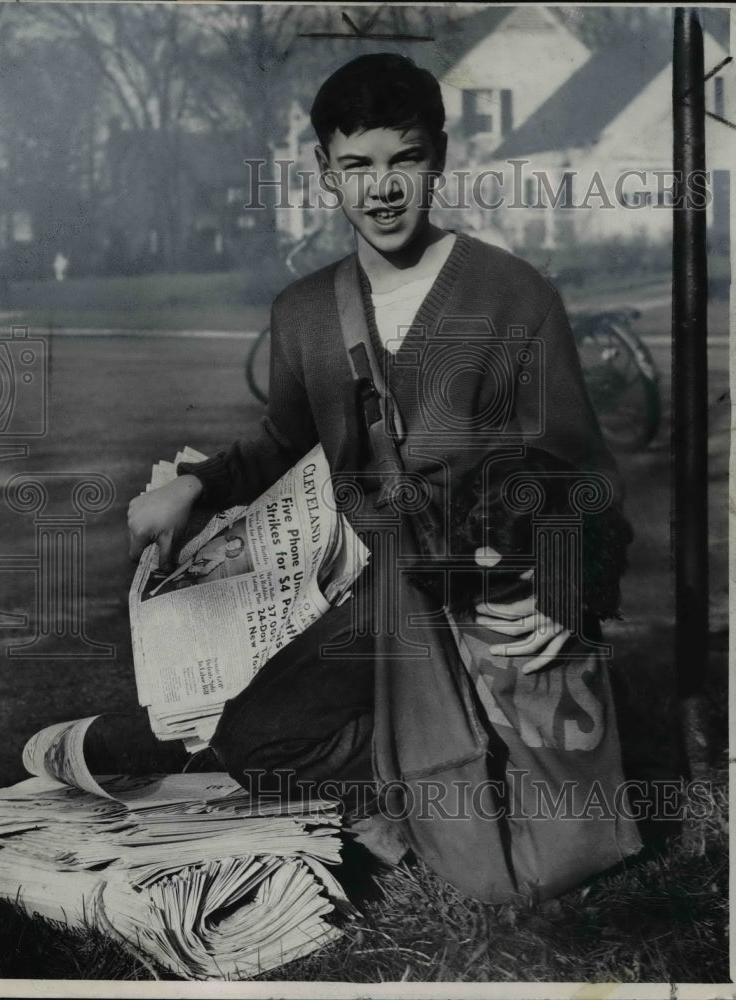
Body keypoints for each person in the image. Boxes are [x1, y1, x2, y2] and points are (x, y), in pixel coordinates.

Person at [128, 54, 639, 897]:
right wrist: (199, 485)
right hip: (367, 593)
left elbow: (580, 466)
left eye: (403, 160)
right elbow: (287, 442)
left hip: (483, 580)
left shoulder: (513, 295)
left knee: (539, 858)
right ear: (327, 174)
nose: (383, 188)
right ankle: (396, 811)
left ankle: (457, 793)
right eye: (357, 165)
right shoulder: (301, 312)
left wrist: (563, 582)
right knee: (255, 738)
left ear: (437, 157)